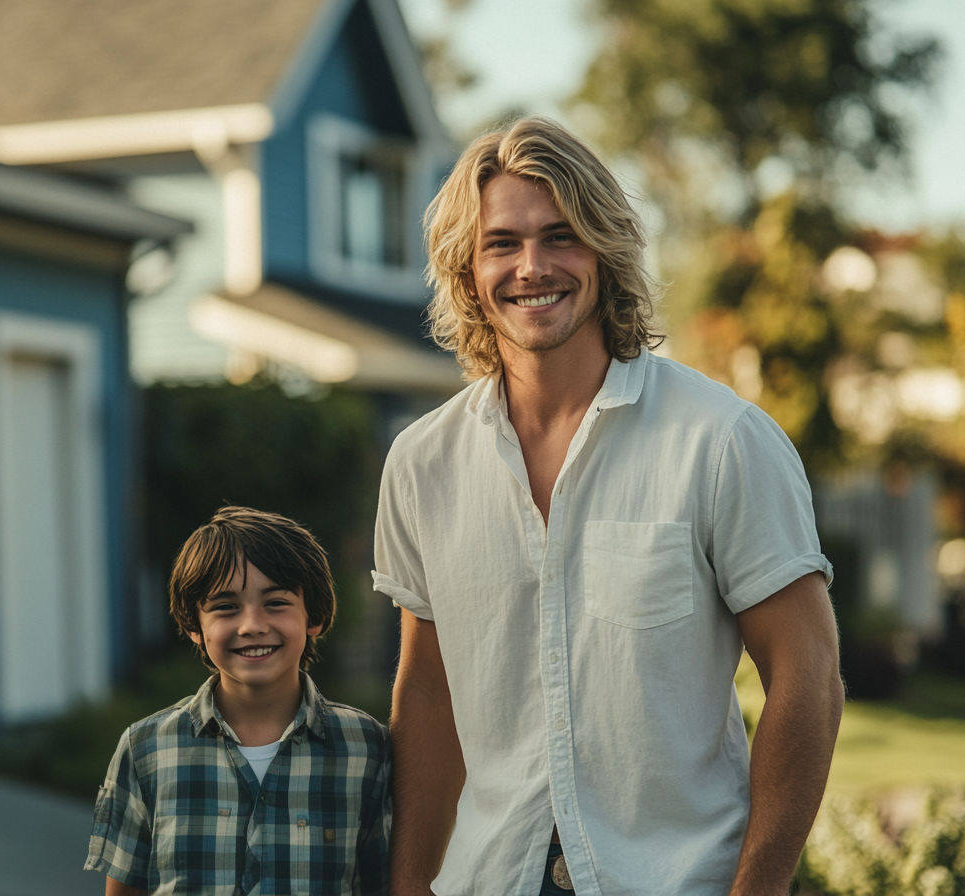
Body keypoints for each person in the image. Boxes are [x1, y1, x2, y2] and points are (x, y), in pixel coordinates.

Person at [374, 118, 844, 896]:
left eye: (562, 236)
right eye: (502, 243)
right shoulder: (422, 464)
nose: (533, 266)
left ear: (605, 251)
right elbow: (427, 688)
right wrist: (406, 882)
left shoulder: (721, 440)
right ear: (466, 268)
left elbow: (808, 675)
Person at [86, 506, 391, 896]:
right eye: (226, 607)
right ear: (195, 626)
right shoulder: (145, 750)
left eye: (276, 602)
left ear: (312, 615)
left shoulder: (368, 749)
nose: (252, 625)